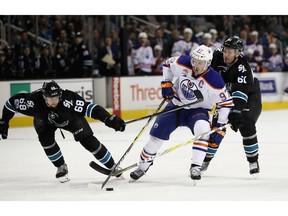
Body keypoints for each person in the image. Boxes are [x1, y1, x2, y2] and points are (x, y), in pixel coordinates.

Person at [129, 45, 234, 182]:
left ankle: (196, 166)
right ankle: (142, 167)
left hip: (198, 111)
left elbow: (226, 103)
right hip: (176, 106)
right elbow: (167, 64)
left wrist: (219, 125)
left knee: (203, 131)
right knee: (154, 137)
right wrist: (166, 83)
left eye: (200, 62)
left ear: (208, 63)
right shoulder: (184, 62)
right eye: (194, 61)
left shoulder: (215, 80)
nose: (195, 65)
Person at [0, 80, 126, 183]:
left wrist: (109, 119)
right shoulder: (33, 101)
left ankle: (112, 166)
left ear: (60, 95)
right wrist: (4, 121)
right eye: (50, 98)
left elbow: (91, 108)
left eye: (56, 97)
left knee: (88, 141)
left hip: (71, 120)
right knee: (45, 139)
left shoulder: (69, 100)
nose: (54, 101)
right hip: (45, 121)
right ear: (44, 97)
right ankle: (61, 166)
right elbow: (11, 103)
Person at [201, 36, 262, 177]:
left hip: (249, 96)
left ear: (238, 53)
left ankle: (253, 161)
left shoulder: (243, 68)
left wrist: (235, 112)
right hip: (226, 96)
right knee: (216, 127)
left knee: (246, 124)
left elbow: (240, 93)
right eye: (225, 50)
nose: (226, 54)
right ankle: (205, 160)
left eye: (230, 52)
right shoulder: (216, 56)